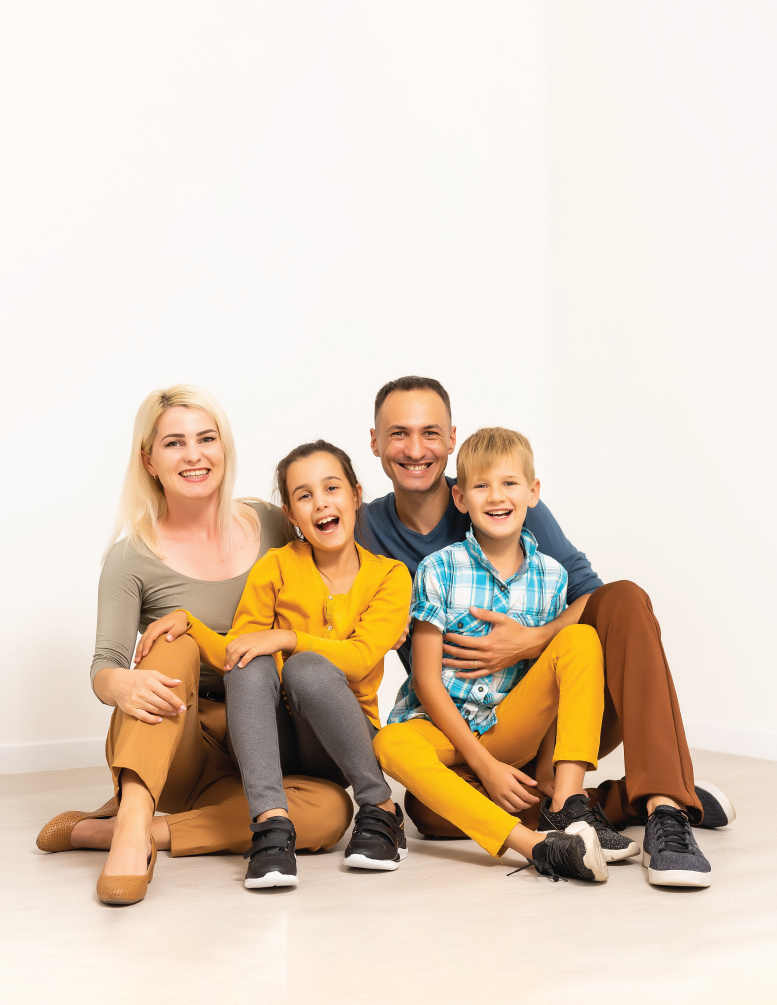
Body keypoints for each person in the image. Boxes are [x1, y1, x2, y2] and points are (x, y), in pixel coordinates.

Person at [360, 376, 733, 888]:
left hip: (546, 714)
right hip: (452, 723)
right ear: (375, 442)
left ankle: (663, 805)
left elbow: (595, 604)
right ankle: (612, 804)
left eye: (430, 432)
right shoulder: (359, 528)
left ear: (451, 438)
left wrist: (534, 639)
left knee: (620, 600)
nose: (416, 448)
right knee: (431, 816)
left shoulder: (521, 516)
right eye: (399, 433)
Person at [36, 387, 353, 906]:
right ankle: (135, 818)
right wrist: (120, 682)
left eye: (207, 439)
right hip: (174, 739)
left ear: (224, 449)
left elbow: (346, 539)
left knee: (332, 812)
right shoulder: (131, 558)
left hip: (261, 742)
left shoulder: (274, 523)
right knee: (172, 639)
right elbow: (104, 665)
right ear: (149, 460)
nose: (194, 455)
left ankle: (116, 832)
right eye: (174, 443)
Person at [142, 440, 412, 889]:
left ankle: (380, 808)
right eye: (304, 496)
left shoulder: (389, 575)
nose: (321, 502)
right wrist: (188, 623)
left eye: (332, 488)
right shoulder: (277, 565)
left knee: (306, 666)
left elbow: (362, 658)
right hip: (279, 742)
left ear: (356, 494)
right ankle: (271, 827)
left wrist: (289, 637)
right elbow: (236, 649)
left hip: (342, 743)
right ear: (290, 514)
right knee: (251, 662)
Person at [376, 426, 636, 882]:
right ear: (461, 499)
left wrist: (545, 765)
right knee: (388, 743)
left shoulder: (553, 577)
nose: (496, 496)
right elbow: (427, 681)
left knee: (578, 639)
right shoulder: (437, 569)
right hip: (445, 730)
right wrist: (485, 766)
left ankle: (570, 807)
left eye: (509, 483)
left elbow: (553, 683)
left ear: (533, 493)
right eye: (481, 486)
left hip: (510, 724)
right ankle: (534, 846)